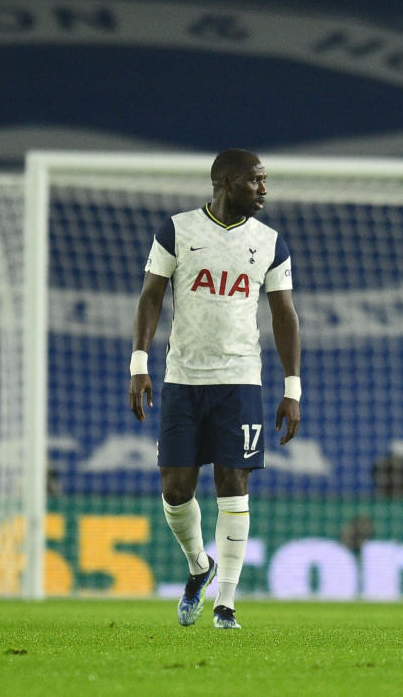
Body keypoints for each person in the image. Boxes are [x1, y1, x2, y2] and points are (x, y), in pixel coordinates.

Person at [129, 149, 302, 630]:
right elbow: (151, 296)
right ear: (226, 182)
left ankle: (226, 603)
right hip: (183, 379)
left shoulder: (270, 243)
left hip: (240, 379)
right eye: (256, 181)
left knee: (234, 483)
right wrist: (138, 363)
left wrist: (293, 388)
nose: (264, 189)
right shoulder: (178, 230)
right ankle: (198, 567)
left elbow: (284, 315)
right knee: (176, 489)